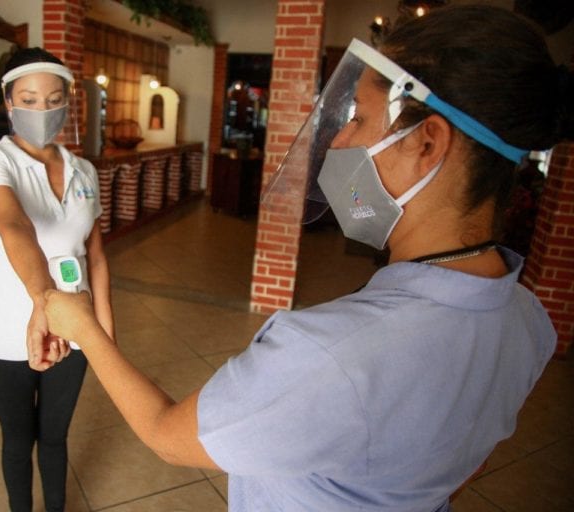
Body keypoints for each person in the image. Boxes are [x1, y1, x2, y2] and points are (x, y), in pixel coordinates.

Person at [40, 5, 573, 512]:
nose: (340, 138)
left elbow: (167, 435)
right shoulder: (529, 322)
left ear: (427, 143)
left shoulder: (332, 356)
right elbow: (464, 465)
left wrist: (85, 327)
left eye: (359, 119)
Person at [0, 47, 114, 512]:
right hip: (8, 330)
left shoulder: (83, 171)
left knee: (54, 435)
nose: (42, 110)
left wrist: (105, 340)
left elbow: (97, 257)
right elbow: (14, 225)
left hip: (74, 330)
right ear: (7, 102)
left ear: (68, 102)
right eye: (28, 99)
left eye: (53, 99)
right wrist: (43, 301)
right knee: (17, 437)